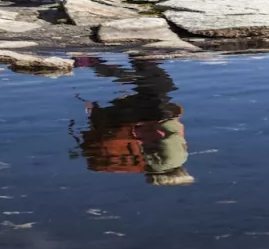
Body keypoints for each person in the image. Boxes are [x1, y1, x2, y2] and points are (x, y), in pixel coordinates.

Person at [73, 56, 195, 185]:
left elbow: (171, 136)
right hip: (124, 123)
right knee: (148, 84)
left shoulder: (172, 160)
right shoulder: (153, 165)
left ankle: (138, 61)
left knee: (158, 85)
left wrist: (167, 118)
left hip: (144, 118)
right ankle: (136, 62)